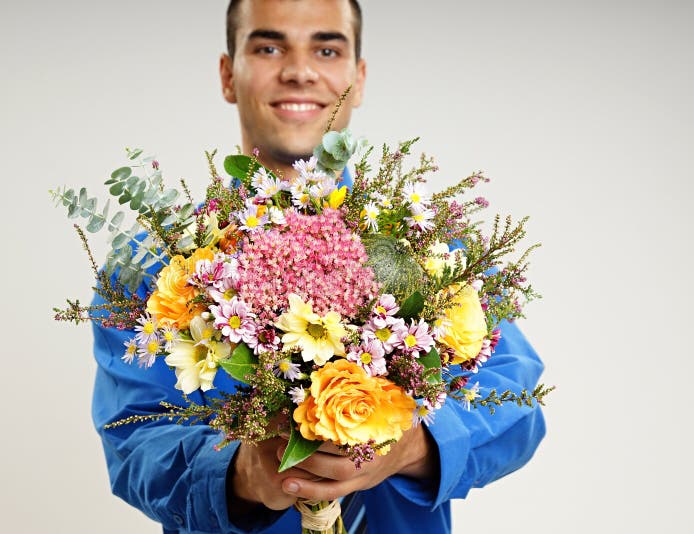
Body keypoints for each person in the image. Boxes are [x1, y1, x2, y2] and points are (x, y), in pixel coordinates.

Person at [91, 1, 547, 532]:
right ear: (227, 74)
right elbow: (133, 441)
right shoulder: (150, 267)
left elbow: (518, 407)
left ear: (357, 76)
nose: (300, 70)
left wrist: (414, 446)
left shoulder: (437, 256)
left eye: (326, 49)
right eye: (268, 47)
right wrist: (240, 474)